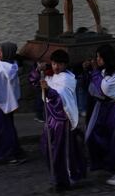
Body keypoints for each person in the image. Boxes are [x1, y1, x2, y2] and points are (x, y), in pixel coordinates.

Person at [30, 49, 86, 189]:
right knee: (49, 149)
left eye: (59, 64)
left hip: (62, 120)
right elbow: (35, 82)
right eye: (54, 63)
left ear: (65, 65)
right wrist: (38, 70)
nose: (56, 67)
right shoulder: (51, 76)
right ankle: (58, 176)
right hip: (51, 120)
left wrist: (48, 90)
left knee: (62, 152)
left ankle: (67, 177)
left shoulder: (68, 79)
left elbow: (61, 97)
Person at [85, 44, 115, 186]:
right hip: (105, 108)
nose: (97, 60)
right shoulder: (103, 70)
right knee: (96, 135)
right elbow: (92, 87)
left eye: (99, 57)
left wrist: (94, 71)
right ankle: (105, 164)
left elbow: (103, 88)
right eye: (96, 57)